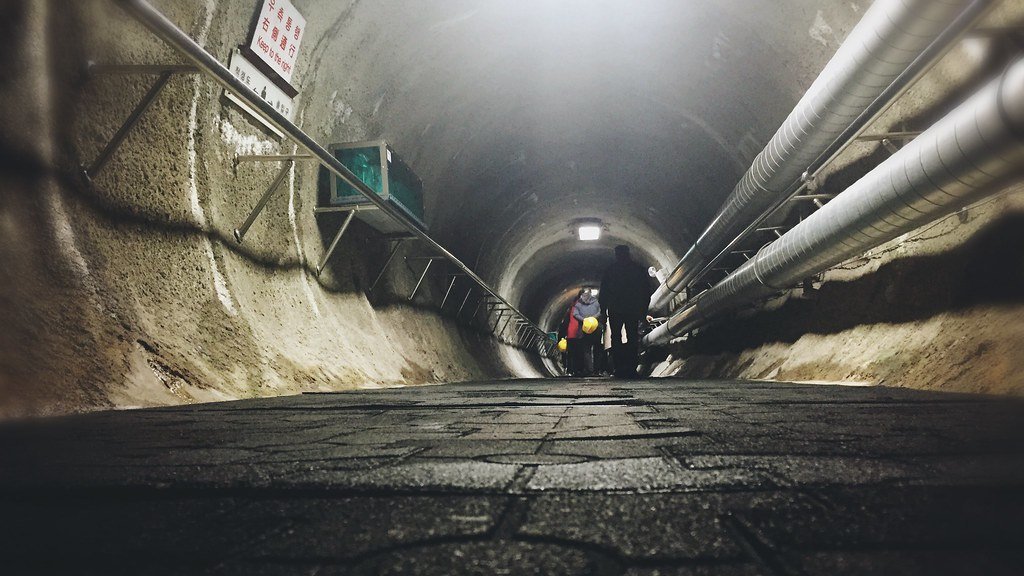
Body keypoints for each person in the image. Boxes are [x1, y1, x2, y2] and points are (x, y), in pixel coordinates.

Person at [599, 245, 654, 378]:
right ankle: (631, 367)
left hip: (616, 308)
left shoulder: (611, 270)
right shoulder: (637, 270)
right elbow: (646, 291)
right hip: (631, 309)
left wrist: (603, 311)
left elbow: (604, 292)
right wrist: (643, 310)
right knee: (632, 337)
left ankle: (619, 367)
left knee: (616, 338)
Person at [571, 288, 602, 376]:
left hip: (591, 329)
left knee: (590, 350)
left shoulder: (594, 303)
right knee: (590, 350)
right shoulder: (594, 303)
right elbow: (575, 314)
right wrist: (588, 319)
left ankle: (593, 370)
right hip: (587, 329)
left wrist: (588, 319)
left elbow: (575, 314)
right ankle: (593, 370)